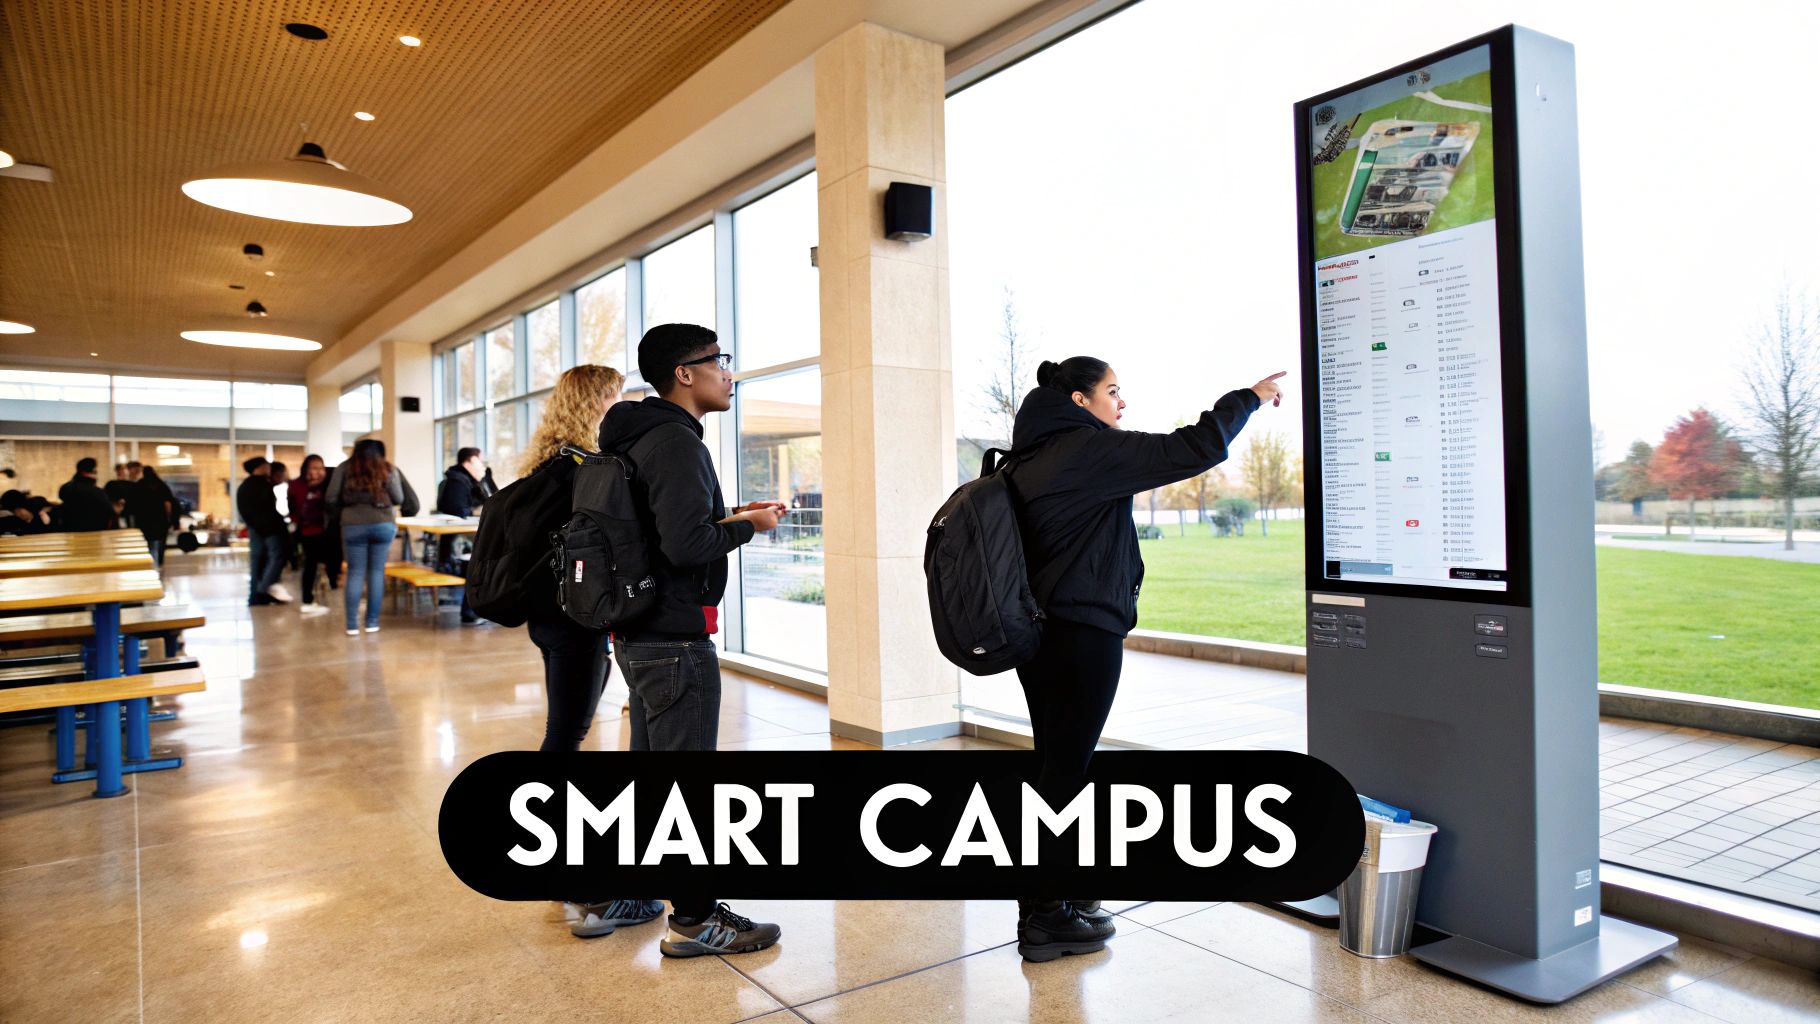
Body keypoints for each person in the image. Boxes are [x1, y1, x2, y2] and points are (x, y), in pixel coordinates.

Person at [1002, 356, 1284, 962]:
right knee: (1066, 774)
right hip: (1082, 634)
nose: (1121, 404)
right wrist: (1250, 396)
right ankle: (1046, 916)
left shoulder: (1026, 458)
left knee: (1054, 764)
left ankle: (1060, 896)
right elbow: (1195, 447)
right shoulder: (1085, 451)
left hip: (1037, 634)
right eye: (1112, 391)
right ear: (1079, 401)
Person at [597, 323, 785, 958]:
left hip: (640, 631)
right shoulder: (676, 444)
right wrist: (749, 529)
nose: (728, 372)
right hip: (677, 636)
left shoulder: (636, 438)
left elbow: (664, 533)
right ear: (685, 373)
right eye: (720, 361)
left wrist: (731, 517)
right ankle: (698, 919)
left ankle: (629, 892)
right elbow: (686, 546)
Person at [504, 365, 656, 938]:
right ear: (599, 402)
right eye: (617, 396)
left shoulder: (546, 464)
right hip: (573, 619)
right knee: (565, 731)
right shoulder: (583, 469)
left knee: (566, 727)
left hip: (550, 616)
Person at [326, 439, 417, 635]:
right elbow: (399, 499)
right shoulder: (388, 468)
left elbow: (330, 497)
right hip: (382, 524)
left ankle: (352, 626)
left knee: (355, 572)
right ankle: (372, 623)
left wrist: (346, 513)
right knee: (376, 572)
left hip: (352, 525)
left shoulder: (344, 468)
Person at [436, 447, 489, 625]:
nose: (482, 465)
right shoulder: (458, 482)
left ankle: (472, 611)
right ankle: (470, 612)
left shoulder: (462, 479)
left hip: (461, 540)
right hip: (462, 541)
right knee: (476, 567)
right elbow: (460, 511)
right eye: (479, 461)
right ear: (470, 461)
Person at [237, 457, 293, 606]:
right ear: (258, 468)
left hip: (258, 528)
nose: (268, 468)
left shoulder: (248, 486)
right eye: (265, 465)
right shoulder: (259, 485)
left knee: (258, 562)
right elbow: (265, 509)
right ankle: (261, 591)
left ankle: (256, 594)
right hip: (266, 529)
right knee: (275, 557)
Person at [289, 454, 337, 616]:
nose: (318, 472)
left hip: (327, 532)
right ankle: (307, 600)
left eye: (321, 468)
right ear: (306, 469)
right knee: (310, 565)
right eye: (314, 468)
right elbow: (292, 507)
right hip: (307, 532)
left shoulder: (329, 484)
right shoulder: (296, 485)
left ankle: (332, 587)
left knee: (332, 561)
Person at [127, 463, 176, 566]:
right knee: (160, 544)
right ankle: (158, 563)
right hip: (160, 520)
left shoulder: (140, 484)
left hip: (144, 520)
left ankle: (150, 563)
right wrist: (169, 518)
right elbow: (168, 504)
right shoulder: (161, 484)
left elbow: (133, 504)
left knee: (148, 543)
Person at [56, 458, 114, 532]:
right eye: (95, 472)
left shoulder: (65, 488)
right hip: (94, 534)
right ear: (86, 473)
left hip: (70, 533)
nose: (96, 475)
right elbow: (109, 512)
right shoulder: (97, 492)